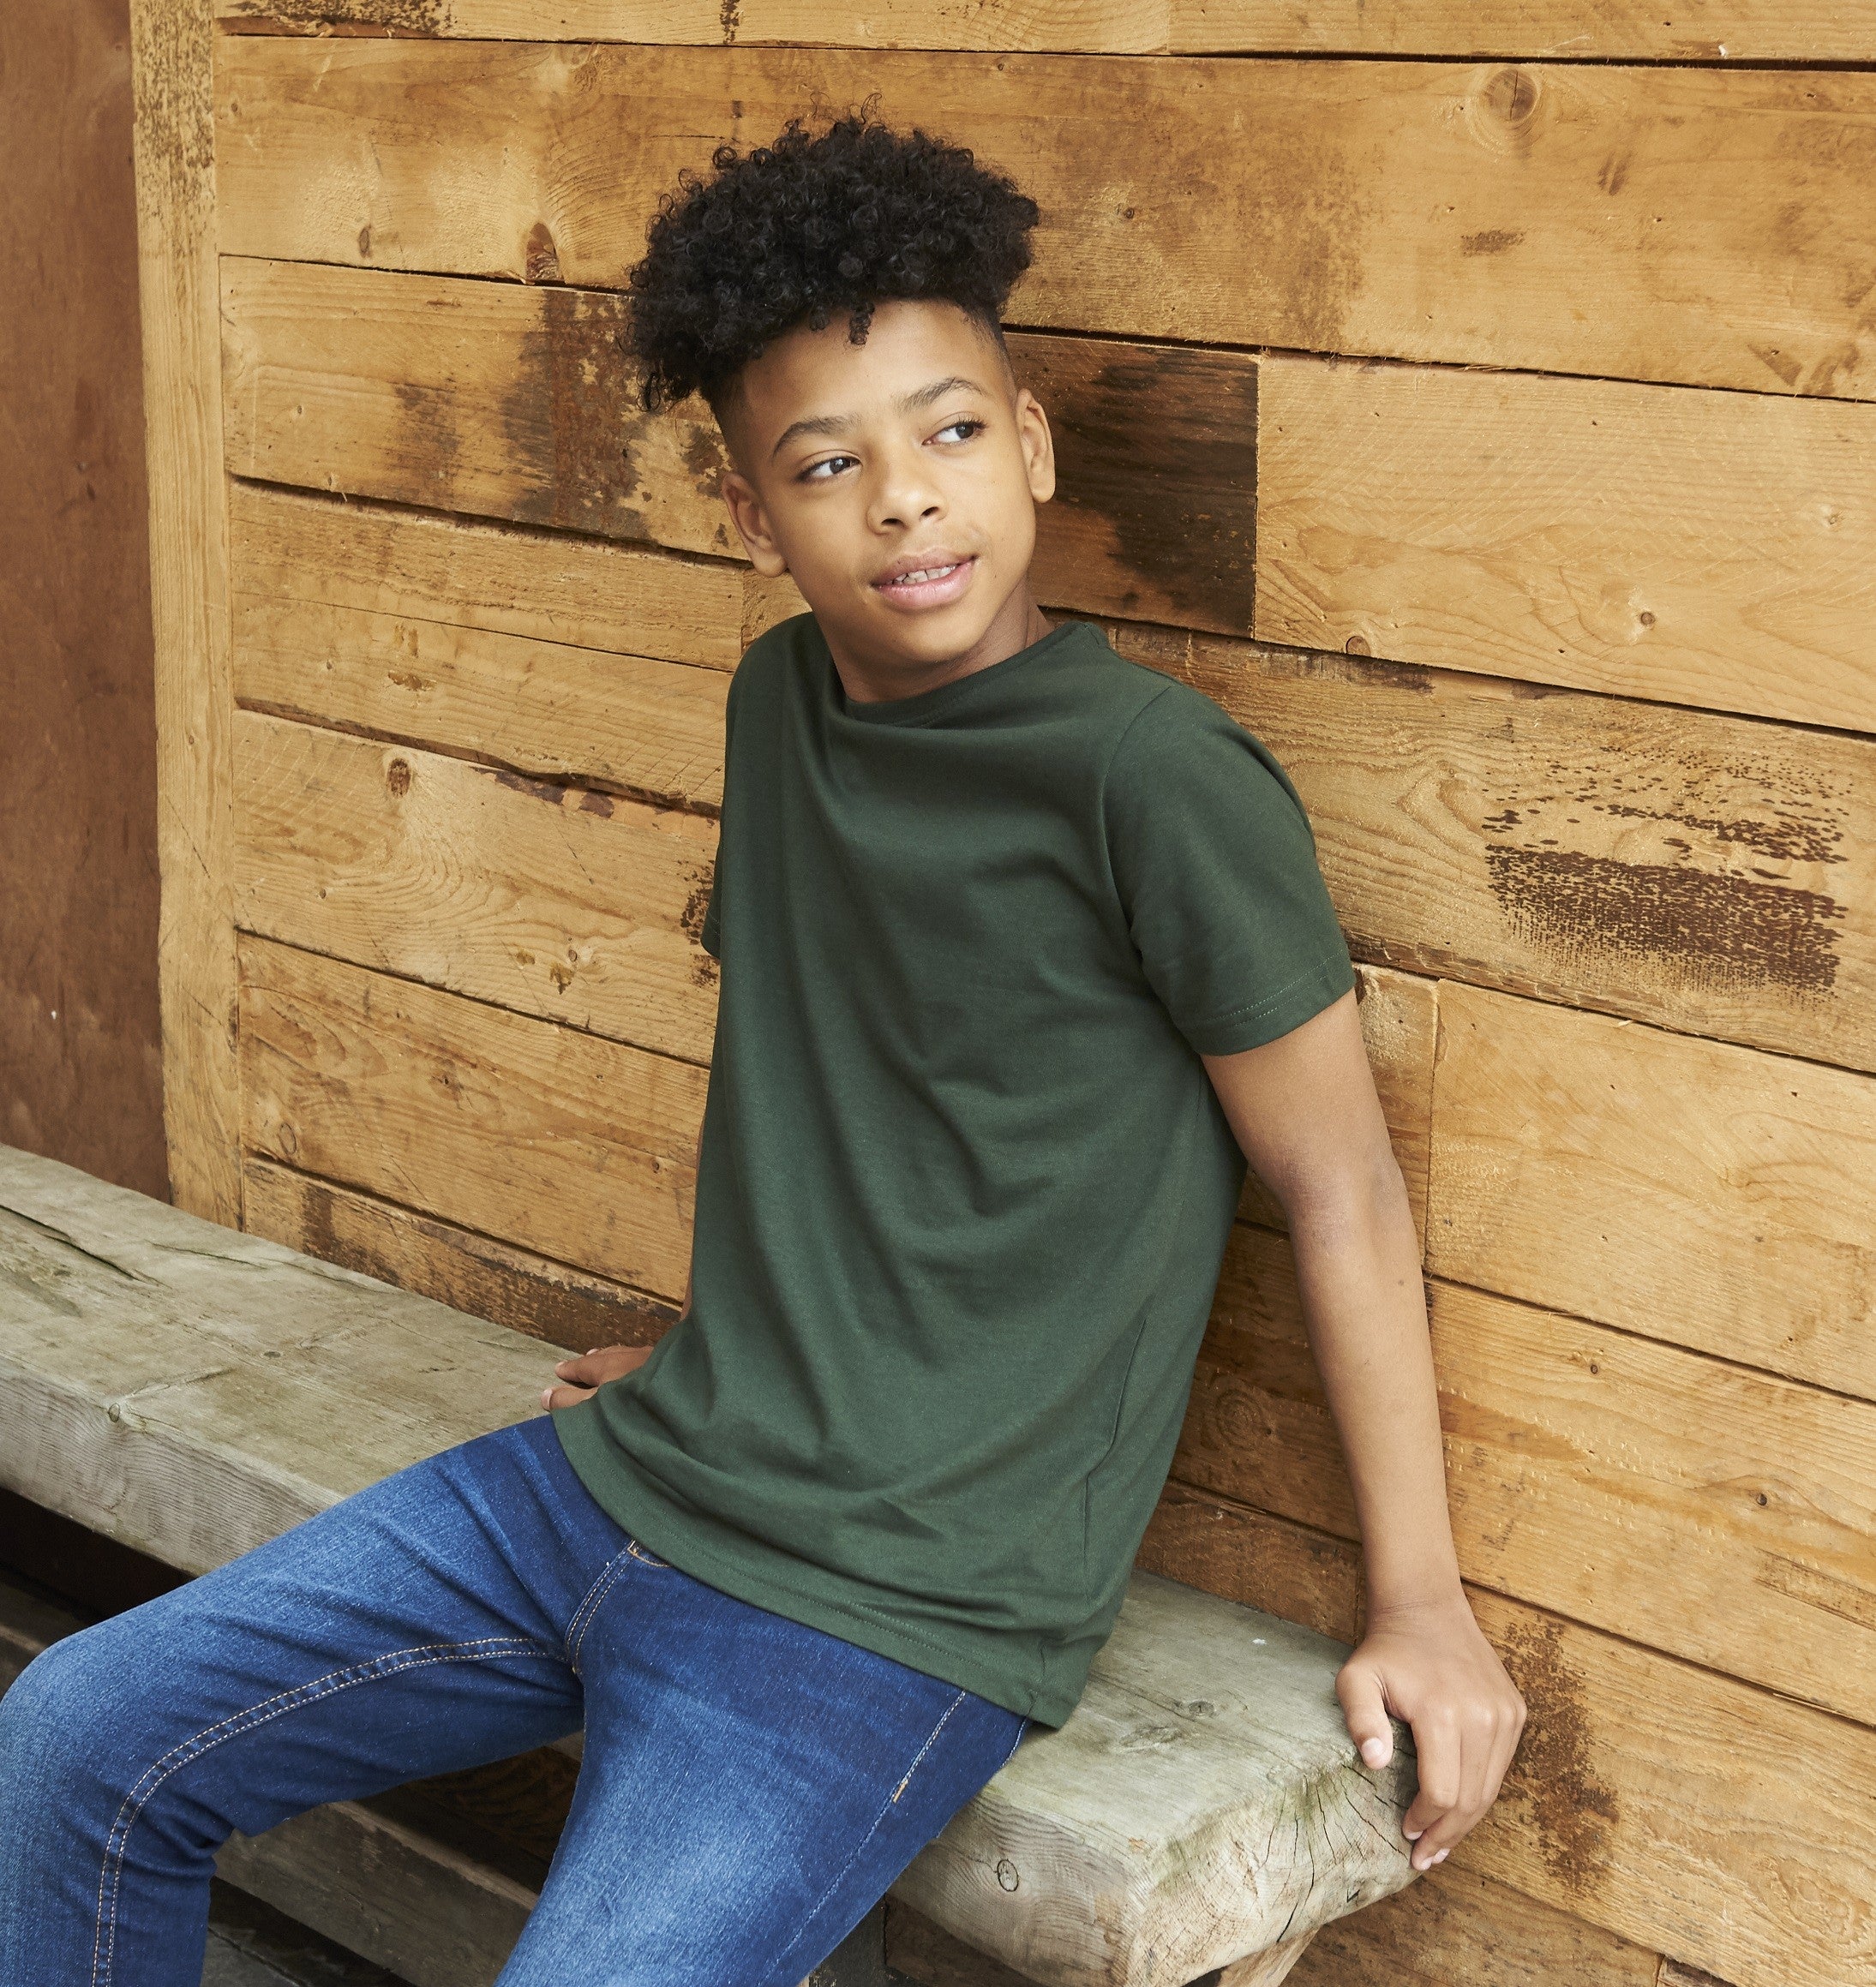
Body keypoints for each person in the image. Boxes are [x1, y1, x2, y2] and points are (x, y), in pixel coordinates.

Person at [0, 116, 1523, 1987]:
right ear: (749, 515)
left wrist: (1421, 1601)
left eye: (949, 433)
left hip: (883, 1607)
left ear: (1031, 445)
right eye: (829, 462)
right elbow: (841, 1080)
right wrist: (742, 1351)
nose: (904, 501)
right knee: (75, 1738)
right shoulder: (778, 699)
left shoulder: (1156, 781)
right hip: (641, 1475)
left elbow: (1339, 1181)